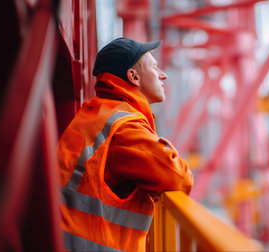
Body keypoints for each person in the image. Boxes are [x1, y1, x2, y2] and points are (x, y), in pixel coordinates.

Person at [57, 37, 193, 251]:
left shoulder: (98, 114)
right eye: (155, 67)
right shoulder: (122, 127)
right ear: (134, 77)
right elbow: (178, 178)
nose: (163, 75)